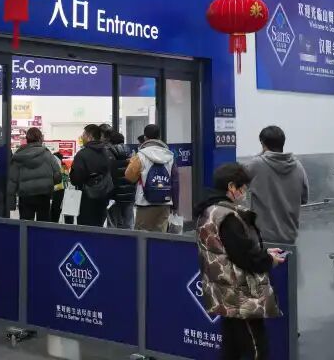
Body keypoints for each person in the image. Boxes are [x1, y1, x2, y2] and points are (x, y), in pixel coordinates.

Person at [195, 163, 284, 359]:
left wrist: (263, 252)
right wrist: (268, 259)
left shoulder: (209, 211)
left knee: (232, 347)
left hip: (224, 291)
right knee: (256, 348)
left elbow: (228, 249)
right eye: (243, 188)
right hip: (240, 294)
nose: (244, 193)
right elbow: (244, 256)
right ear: (231, 187)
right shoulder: (227, 216)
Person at [243, 126, 309, 245]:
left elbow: (239, 187)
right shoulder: (298, 166)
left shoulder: (256, 164)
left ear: (263, 144)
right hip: (290, 238)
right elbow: (304, 199)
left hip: (263, 239)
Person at [125, 124, 180, 232]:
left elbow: (129, 176)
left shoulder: (140, 155)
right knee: (160, 236)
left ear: (145, 137)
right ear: (159, 137)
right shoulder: (170, 156)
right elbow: (175, 182)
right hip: (164, 204)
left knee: (142, 236)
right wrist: (175, 205)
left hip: (144, 203)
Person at [7, 127, 61, 222]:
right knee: (43, 223)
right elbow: (57, 175)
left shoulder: (18, 156)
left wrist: (11, 201)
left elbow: (12, 179)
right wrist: (51, 183)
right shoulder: (47, 154)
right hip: (44, 194)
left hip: (25, 195)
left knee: (26, 224)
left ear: (27, 139)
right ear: (40, 138)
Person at [69, 125, 114, 227]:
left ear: (90, 137)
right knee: (98, 225)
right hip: (103, 195)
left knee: (85, 227)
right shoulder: (107, 152)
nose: (82, 137)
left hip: (87, 198)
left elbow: (76, 178)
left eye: (84, 135)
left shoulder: (82, 154)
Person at [106, 131, 136, 229]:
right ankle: (129, 238)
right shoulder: (132, 153)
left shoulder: (108, 153)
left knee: (112, 223)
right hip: (130, 194)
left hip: (114, 195)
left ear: (110, 141)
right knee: (128, 223)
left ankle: (113, 239)